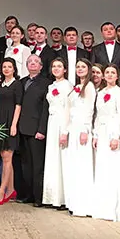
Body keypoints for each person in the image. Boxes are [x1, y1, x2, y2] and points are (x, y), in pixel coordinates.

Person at [92, 65, 120, 222]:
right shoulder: (100, 93)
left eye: (112, 72)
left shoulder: (119, 93)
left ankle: (114, 208)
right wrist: (95, 134)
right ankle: (102, 206)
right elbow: (98, 115)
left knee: (114, 168)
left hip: (113, 132)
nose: (109, 75)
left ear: (117, 76)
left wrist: (116, 136)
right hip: (102, 131)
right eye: (107, 72)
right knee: (103, 167)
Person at [65, 59, 97, 218]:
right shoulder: (76, 86)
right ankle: (74, 202)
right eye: (78, 66)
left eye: (83, 66)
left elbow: (89, 109)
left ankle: (84, 204)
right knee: (74, 165)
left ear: (89, 69)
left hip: (82, 129)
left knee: (83, 165)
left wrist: (85, 129)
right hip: (73, 128)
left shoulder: (89, 87)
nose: (80, 69)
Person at [18, 55, 50, 206]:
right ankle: (28, 194)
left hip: (36, 130)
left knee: (37, 165)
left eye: (36, 62)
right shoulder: (22, 82)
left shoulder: (46, 83)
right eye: (30, 61)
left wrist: (42, 129)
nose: (32, 64)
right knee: (26, 165)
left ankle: (38, 197)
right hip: (22, 128)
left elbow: (45, 109)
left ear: (41, 66)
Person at [42, 58, 72, 208]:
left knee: (62, 158)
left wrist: (65, 131)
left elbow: (68, 108)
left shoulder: (68, 86)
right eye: (54, 66)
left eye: (59, 66)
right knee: (52, 157)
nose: (56, 68)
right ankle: (52, 197)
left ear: (65, 69)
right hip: (52, 122)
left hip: (62, 122)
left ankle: (63, 198)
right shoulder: (51, 86)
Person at [0, 59, 23, 205]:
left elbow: (18, 105)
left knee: (7, 158)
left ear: (14, 69)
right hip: (0, 123)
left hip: (10, 122)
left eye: (9, 67)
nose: (6, 69)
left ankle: (2, 191)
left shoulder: (17, 85)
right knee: (4, 157)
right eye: (4, 66)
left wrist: (14, 125)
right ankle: (11, 189)